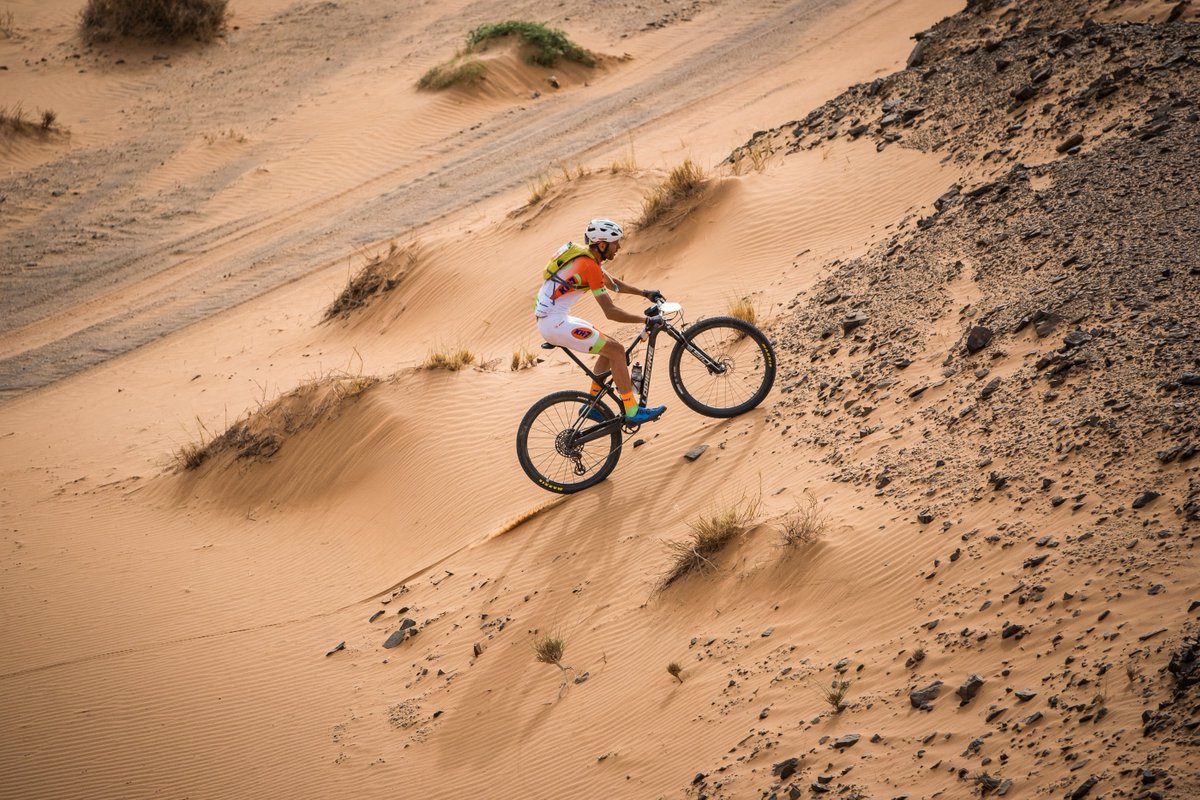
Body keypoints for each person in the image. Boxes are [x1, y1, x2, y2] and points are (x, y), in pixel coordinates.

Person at [534, 218, 666, 424]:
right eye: (615, 243)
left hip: (555, 319)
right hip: (555, 323)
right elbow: (611, 312)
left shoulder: (586, 259)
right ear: (602, 245)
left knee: (610, 347)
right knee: (616, 351)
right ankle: (632, 412)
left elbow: (613, 284)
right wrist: (645, 320)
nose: (619, 246)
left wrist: (645, 293)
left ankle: (592, 405)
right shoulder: (589, 266)